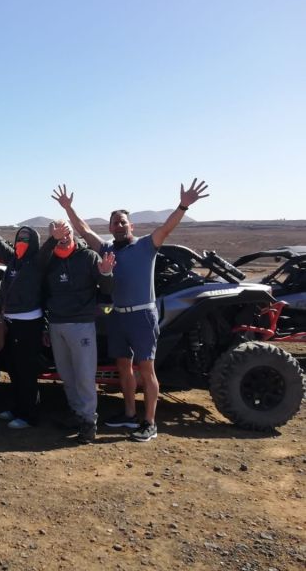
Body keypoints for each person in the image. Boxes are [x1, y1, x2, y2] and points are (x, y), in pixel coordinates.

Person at [53, 179, 210, 442]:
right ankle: (128, 413)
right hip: (116, 315)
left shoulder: (147, 245)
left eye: (123, 222)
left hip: (142, 315)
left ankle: (149, 422)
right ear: (111, 228)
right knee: (123, 367)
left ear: (131, 225)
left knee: (146, 369)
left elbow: (167, 227)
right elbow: (84, 229)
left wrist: (183, 205)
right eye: (115, 222)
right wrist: (68, 208)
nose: (119, 225)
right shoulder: (106, 248)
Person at [0, 205, 45, 428]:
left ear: (34, 243)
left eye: (26, 239)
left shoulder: (37, 263)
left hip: (29, 324)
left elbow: (49, 248)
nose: (21, 242)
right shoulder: (13, 260)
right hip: (11, 321)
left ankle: (29, 415)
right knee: (12, 367)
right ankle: (18, 408)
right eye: (19, 238)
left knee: (26, 370)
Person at [41, 220, 115, 444]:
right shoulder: (49, 262)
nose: (63, 236)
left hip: (81, 324)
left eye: (67, 232)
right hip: (56, 324)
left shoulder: (88, 257)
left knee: (84, 374)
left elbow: (107, 290)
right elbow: (43, 294)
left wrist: (106, 274)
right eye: (58, 232)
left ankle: (88, 422)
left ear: (73, 234)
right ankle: (77, 414)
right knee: (66, 374)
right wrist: (46, 324)